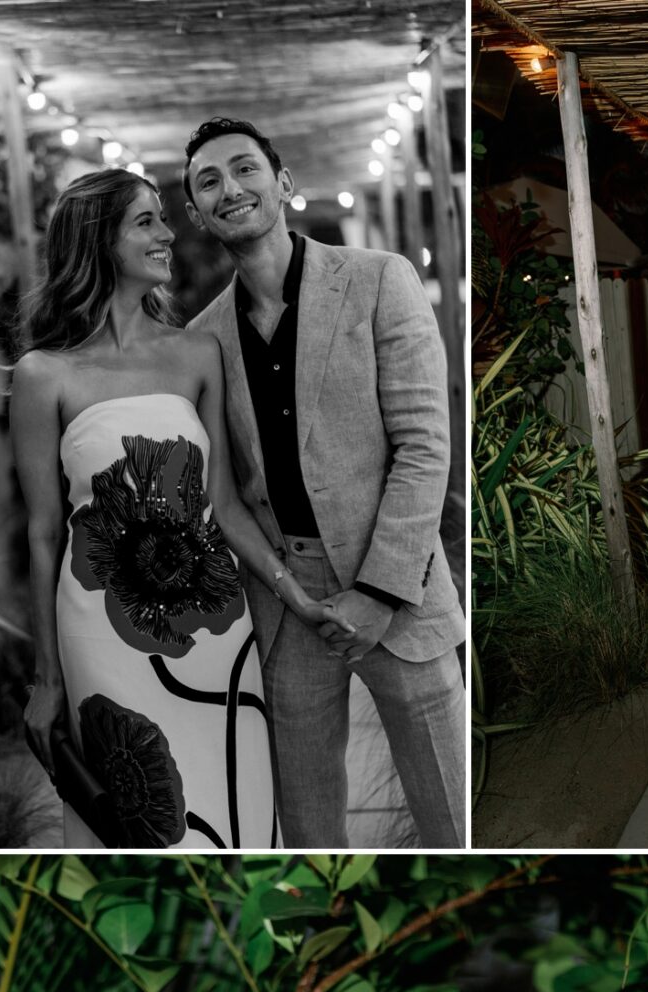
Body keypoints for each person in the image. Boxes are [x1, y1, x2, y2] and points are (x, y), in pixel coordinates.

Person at [12, 169, 353, 849]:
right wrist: (46, 679)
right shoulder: (42, 375)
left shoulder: (198, 352)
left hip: (214, 626)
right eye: (146, 222)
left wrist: (297, 595)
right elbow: (44, 534)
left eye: (163, 219)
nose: (169, 234)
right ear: (96, 240)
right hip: (101, 636)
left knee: (236, 806)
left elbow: (222, 505)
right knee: (138, 817)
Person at [183, 118, 466, 853]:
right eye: (208, 181)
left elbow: (424, 445)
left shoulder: (377, 279)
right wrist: (287, 589)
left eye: (244, 169)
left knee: (449, 817)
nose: (229, 189)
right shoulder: (201, 338)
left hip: (396, 589)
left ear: (282, 184)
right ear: (196, 213)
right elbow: (233, 489)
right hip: (286, 609)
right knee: (308, 832)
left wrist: (378, 593)